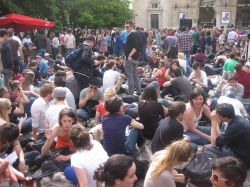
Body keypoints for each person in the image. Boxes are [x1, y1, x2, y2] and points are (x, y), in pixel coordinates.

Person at [208, 103, 250, 167]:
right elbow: (220, 136)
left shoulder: (234, 127)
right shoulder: (237, 119)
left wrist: (213, 122)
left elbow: (214, 144)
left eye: (218, 115)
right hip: (242, 150)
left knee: (208, 149)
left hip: (243, 159)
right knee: (220, 136)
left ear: (225, 117)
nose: (217, 116)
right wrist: (215, 122)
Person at [124, 20, 141, 95]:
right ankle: (138, 91)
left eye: (127, 27)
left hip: (131, 58)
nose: (126, 28)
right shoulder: (136, 34)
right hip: (135, 58)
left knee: (130, 76)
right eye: (125, 27)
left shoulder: (132, 34)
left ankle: (131, 92)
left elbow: (136, 46)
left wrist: (130, 55)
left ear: (131, 26)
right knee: (135, 74)